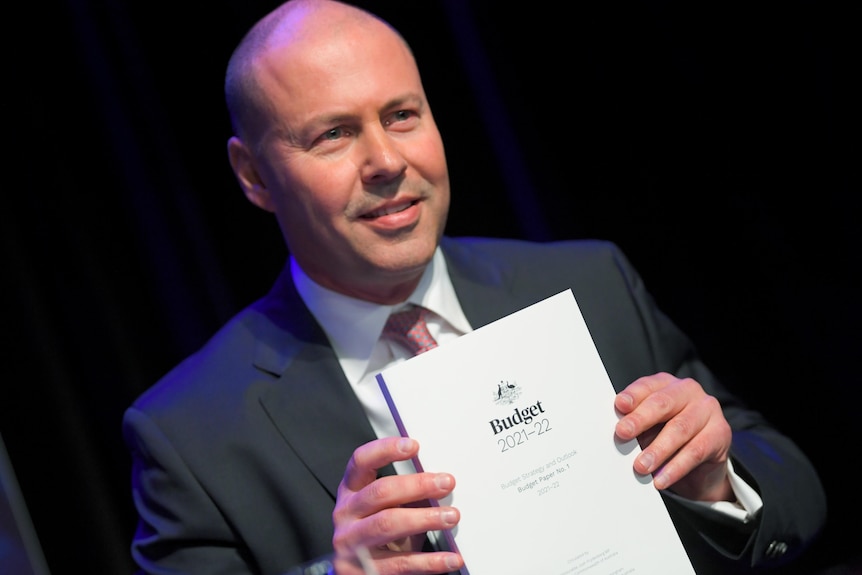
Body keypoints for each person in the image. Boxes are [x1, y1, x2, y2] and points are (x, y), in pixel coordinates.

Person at [122, 1, 827, 574]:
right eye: (334, 134)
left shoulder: (589, 282)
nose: (387, 161)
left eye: (402, 115)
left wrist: (718, 481)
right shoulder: (191, 433)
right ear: (252, 175)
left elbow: (792, 484)